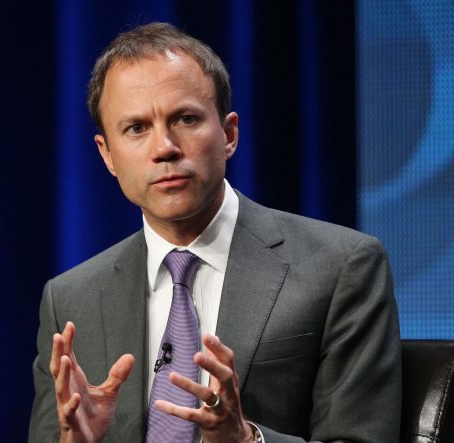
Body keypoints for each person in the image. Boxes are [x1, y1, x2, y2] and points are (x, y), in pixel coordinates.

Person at [29, 22, 401, 443]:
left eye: (185, 118)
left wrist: (246, 439)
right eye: (136, 128)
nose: (164, 147)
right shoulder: (70, 300)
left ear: (229, 134)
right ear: (107, 154)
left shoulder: (340, 268)